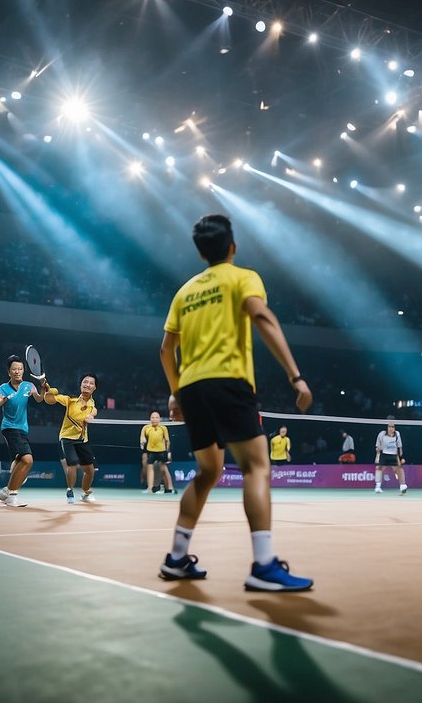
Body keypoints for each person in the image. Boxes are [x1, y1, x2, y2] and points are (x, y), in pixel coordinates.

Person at [158, 214, 314, 591]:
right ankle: (263, 565)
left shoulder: (185, 291)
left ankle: (177, 558)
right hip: (228, 381)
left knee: (208, 472)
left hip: (192, 388)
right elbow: (261, 315)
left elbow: (166, 350)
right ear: (232, 246)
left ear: (200, 252)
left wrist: (177, 393)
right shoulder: (243, 277)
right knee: (257, 468)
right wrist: (296, 376)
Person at [0, 355, 46, 508]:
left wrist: (43, 388)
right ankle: (12, 495)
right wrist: (4, 399)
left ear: (23, 370)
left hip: (23, 429)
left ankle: (6, 491)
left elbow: (39, 399)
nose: (17, 371)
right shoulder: (3, 388)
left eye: (20, 369)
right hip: (10, 427)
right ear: (9, 372)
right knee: (28, 460)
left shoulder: (29, 386)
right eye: (14, 369)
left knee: (19, 461)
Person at [44, 373, 99, 504]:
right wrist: (48, 391)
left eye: (91, 383)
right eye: (85, 382)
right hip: (67, 438)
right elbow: (50, 400)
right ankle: (70, 490)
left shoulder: (92, 403)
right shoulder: (70, 400)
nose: (87, 385)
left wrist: (91, 415)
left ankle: (85, 493)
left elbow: (94, 410)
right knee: (72, 464)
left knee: (90, 470)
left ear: (95, 388)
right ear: (81, 385)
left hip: (82, 440)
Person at [140, 410, 174, 494]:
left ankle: (170, 488)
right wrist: (142, 441)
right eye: (152, 417)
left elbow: (167, 441)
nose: (154, 419)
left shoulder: (163, 428)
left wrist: (168, 452)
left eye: (156, 417)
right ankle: (150, 489)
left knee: (164, 468)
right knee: (149, 468)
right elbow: (142, 437)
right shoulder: (146, 427)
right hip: (151, 451)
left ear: (160, 419)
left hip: (162, 451)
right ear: (150, 419)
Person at [374, 417, 408, 494]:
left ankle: (403, 486)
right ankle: (378, 487)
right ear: (386, 427)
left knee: (399, 469)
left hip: (394, 455)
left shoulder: (397, 434)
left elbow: (400, 447)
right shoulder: (381, 434)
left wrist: (401, 457)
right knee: (379, 469)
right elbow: (378, 447)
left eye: (392, 427)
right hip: (384, 454)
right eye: (389, 426)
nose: (391, 428)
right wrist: (377, 456)